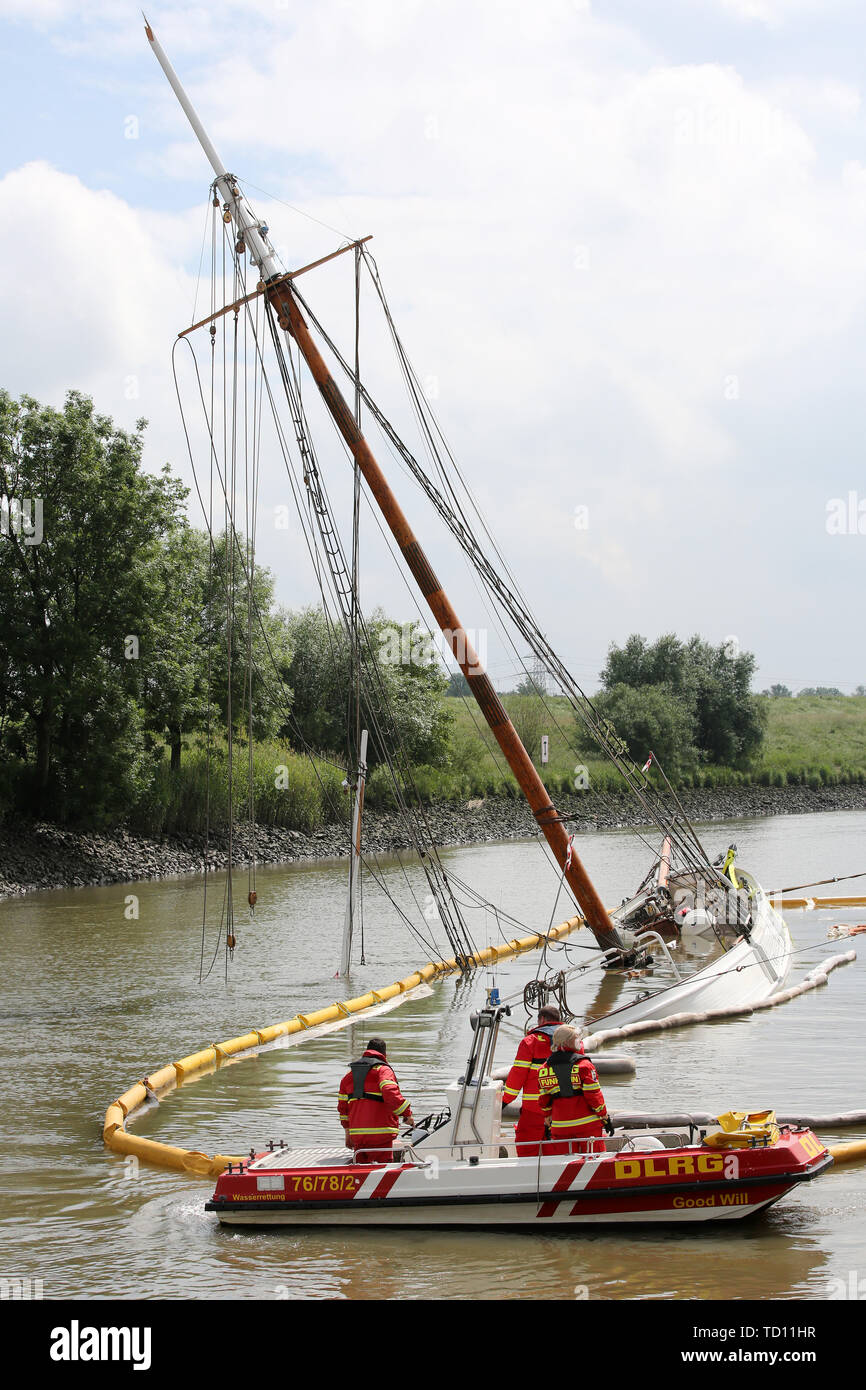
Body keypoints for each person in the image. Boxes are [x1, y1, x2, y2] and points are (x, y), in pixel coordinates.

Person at [537, 1024, 614, 1156]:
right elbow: (594, 1096)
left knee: (563, 1167)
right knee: (595, 1163)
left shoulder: (544, 1070)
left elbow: (544, 1101)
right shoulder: (584, 1066)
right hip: (588, 1127)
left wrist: (547, 1119)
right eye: (577, 1038)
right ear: (567, 1042)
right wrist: (605, 1117)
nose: (580, 1041)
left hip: (561, 1127)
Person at [338, 1037, 414, 1163]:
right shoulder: (383, 1071)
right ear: (385, 1054)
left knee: (360, 1173)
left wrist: (348, 1134)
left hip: (358, 1137)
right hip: (381, 1135)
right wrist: (407, 1114)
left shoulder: (349, 1076)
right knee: (382, 1171)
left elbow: (343, 1109)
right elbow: (391, 1093)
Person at [501, 1004, 562, 1156]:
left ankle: (529, 1177)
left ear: (541, 1020)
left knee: (526, 1146)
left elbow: (517, 1075)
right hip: (564, 1108)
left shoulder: (530, 1042)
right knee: (558, 1147)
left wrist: (505, 1101)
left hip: (534, 1108)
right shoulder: (573, 1041)